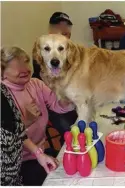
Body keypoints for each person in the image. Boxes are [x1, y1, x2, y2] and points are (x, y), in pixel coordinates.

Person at [1, 46, 75, 185]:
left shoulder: (35, 84)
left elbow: (57, 105)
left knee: (70, 166)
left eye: (26, 63)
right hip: (19, 164)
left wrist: (71, 96)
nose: (25, 69)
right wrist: (27, 122)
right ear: (2, 72)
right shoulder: (4, 96)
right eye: (17, 66)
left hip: (40, 152)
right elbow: (8, 138)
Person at [32, 12, 77, 147]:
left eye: (65, 34)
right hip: (50, 101)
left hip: (70, 98)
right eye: (58, 33)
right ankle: (68, 153)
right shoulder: (41, 50)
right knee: (70, 130)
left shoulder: (72, 50)